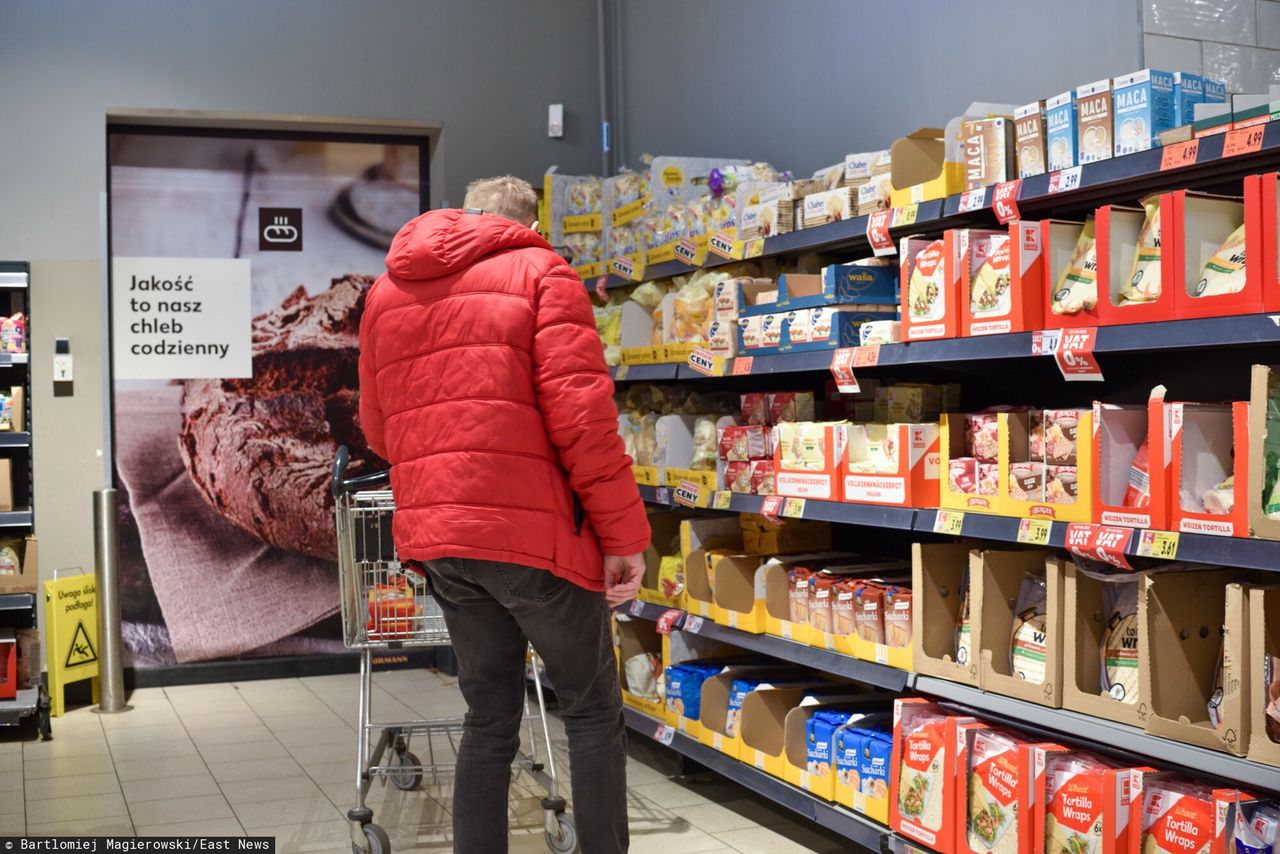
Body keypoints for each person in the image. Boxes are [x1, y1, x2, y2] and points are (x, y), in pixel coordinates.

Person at [357, 175, 650, 854]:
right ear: (528, 223)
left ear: (466, 215)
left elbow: (379, 428)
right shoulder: (544, 272)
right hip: (534, 541)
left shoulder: (387, 292)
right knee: (590, 710)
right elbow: (583, 424)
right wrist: (624, 536)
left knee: (488, 720)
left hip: (441, 543)